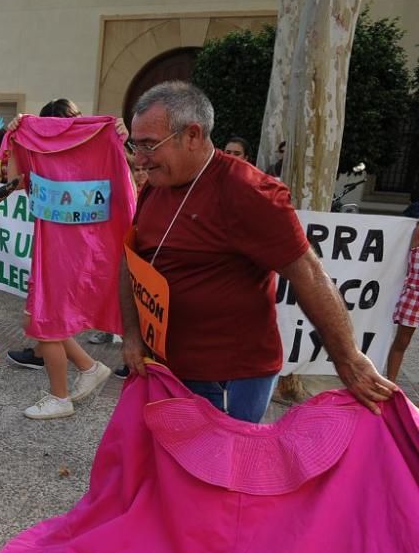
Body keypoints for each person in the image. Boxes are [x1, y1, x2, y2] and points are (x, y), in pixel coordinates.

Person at [120, 81, 394, 422]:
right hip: (168, 366)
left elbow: (308, 273)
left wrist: (348, 359)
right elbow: (132, 259)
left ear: (192, 135)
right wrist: (132, 334)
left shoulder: (247, 190)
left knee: (228, 470)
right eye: (135, 143)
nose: (139, 158)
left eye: (149, 145)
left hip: (231, 376)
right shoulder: (156, 186)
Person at [3, 99, 127, 419]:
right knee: (39, 319)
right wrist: (15, 136)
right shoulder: (36, 145)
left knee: (45, 323)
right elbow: (14, 180)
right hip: (63, 246)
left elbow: (130, 183)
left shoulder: (104, 138)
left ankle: (60, 397)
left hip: (68, 250)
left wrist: (123, 136)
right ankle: (89, 366)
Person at [387, 221, 419, 382]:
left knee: (401, 342)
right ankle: (391, 384)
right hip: (414, 296)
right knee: (402, 341)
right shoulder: (417, 233)